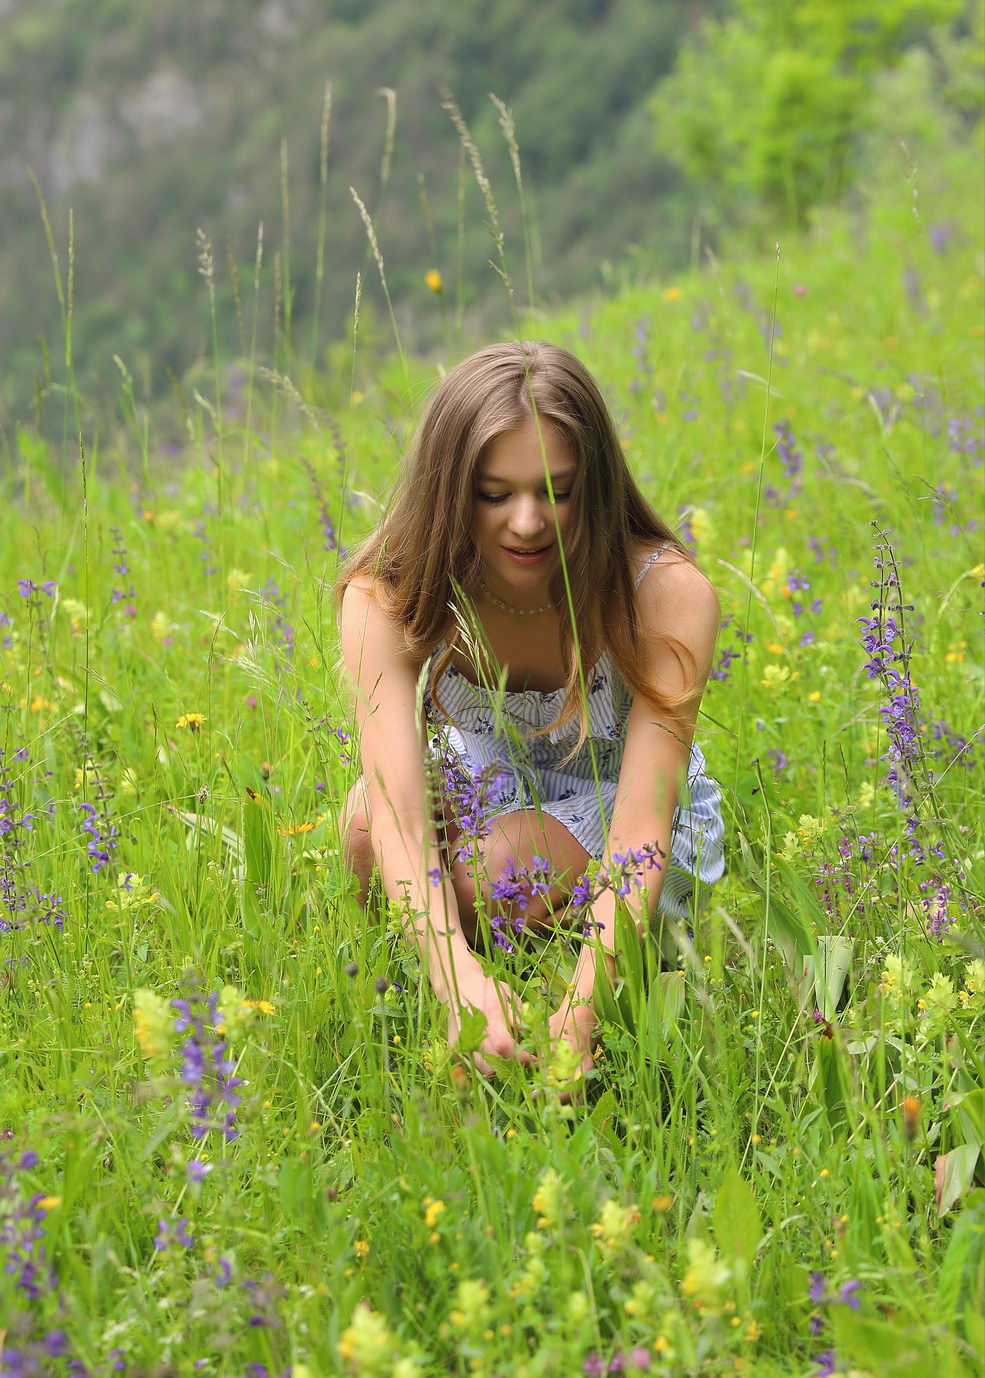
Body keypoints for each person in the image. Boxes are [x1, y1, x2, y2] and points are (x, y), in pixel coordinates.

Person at [337, 341, 724, 1082]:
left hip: (627, 811)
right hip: (491, 785)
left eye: (556, 489)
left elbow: (643, 826)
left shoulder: (664, 593)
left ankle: (558, 978)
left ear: (597, 485)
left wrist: (581, 1011)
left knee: (494, 873)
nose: (525, 521)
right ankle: (465, 993)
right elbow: (396, 811)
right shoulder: (390, 596)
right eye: (493, 493)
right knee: (361, 827)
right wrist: (459, 992)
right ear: (449, 490)